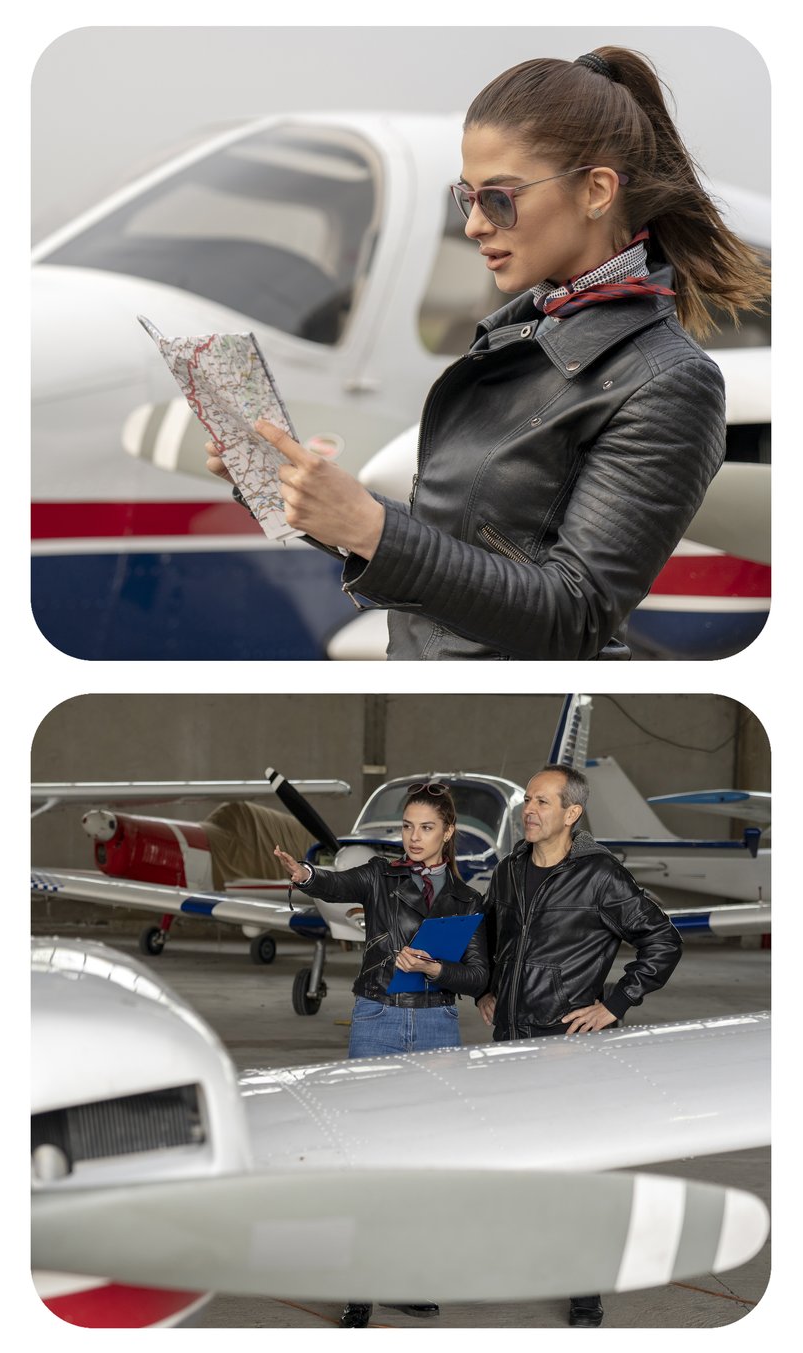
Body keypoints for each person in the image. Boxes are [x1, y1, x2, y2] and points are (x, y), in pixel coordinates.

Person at [214, 48, 769, 659]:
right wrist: (287, 485)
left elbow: (574, 616)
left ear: (597, 191)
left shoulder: (670, 383)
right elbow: (452, 546)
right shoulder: (519, 336)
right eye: (467, 198)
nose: (475, 225)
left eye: (498, 198)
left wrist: (371, 527)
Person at [274, 781, 489, 1328]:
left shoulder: (468, 901)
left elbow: (479, 974)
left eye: (425, 828)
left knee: (424, 1161)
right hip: (378, 1019)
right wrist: (305, 875)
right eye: (406, 827)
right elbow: (334, 879)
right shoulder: (378, 875)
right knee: (363, 1154)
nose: (413, 838)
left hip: (439, 1023)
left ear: (447, 833)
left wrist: (436, 970)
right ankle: (359, 1287)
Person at [477, 763, 682, 1326]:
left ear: (572, 813)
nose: (530, 810)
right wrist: (486, 990)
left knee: (576, 1171)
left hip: (565, 1043)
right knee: (513, 1160)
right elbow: (491, 937)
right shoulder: (509, 871)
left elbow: (662, 941)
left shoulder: (601, 877)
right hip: (509, 1040)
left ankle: (584, 1290)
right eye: (527, 801)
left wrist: (615, 1003)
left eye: (543, 802)